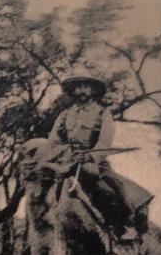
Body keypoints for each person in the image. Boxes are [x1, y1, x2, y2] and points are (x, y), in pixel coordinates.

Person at [45, 76, 152, 240]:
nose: (81, 90)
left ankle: (123, 224)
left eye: (86, 87)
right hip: (66, 162)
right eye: (77, 87)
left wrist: (89, 155)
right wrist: (64, 152)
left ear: (93, 90)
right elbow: (53, 142)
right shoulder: (64, 115)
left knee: (111, 189)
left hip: (94, 163)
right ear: (72, 90)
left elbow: (104, 142)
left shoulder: (103, 114)